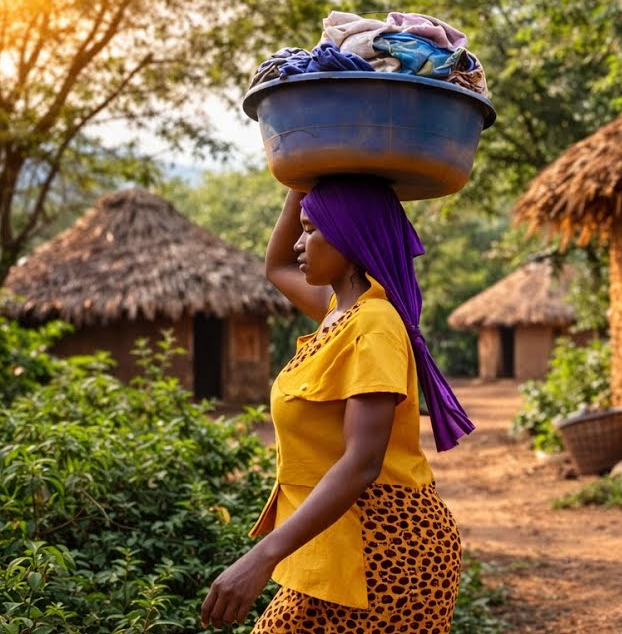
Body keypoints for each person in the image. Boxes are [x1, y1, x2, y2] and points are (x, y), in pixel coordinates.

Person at [199, 176, 474, 632]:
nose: (299, 242)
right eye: (302, 228)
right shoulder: (339, 313)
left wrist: (261, 557)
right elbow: (276, 265)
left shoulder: (375, 325)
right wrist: (301, 174)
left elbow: (362, 463)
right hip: (339, 545)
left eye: (311, 229)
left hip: (388, 552)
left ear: (348, 236)